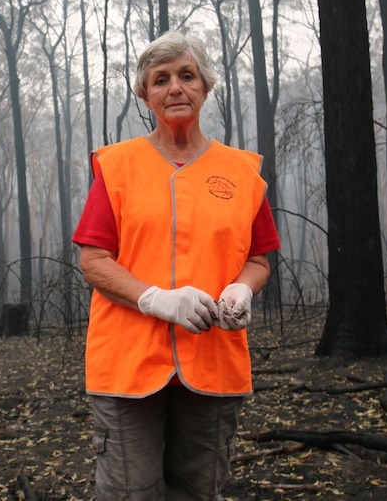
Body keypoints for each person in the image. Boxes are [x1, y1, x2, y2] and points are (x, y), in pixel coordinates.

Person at [72, 30, 281, 501]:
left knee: (198, 490)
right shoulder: (117, 166)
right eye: (160, 79)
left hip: (214, 360)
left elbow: (259, 259)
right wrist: (155, 299)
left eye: (187, 76)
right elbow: (94, 260)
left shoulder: (242, 172)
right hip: (126, 364)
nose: (175, 88)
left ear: (206, 87)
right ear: (144, 94)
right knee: (132, 492)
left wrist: (242, 289)